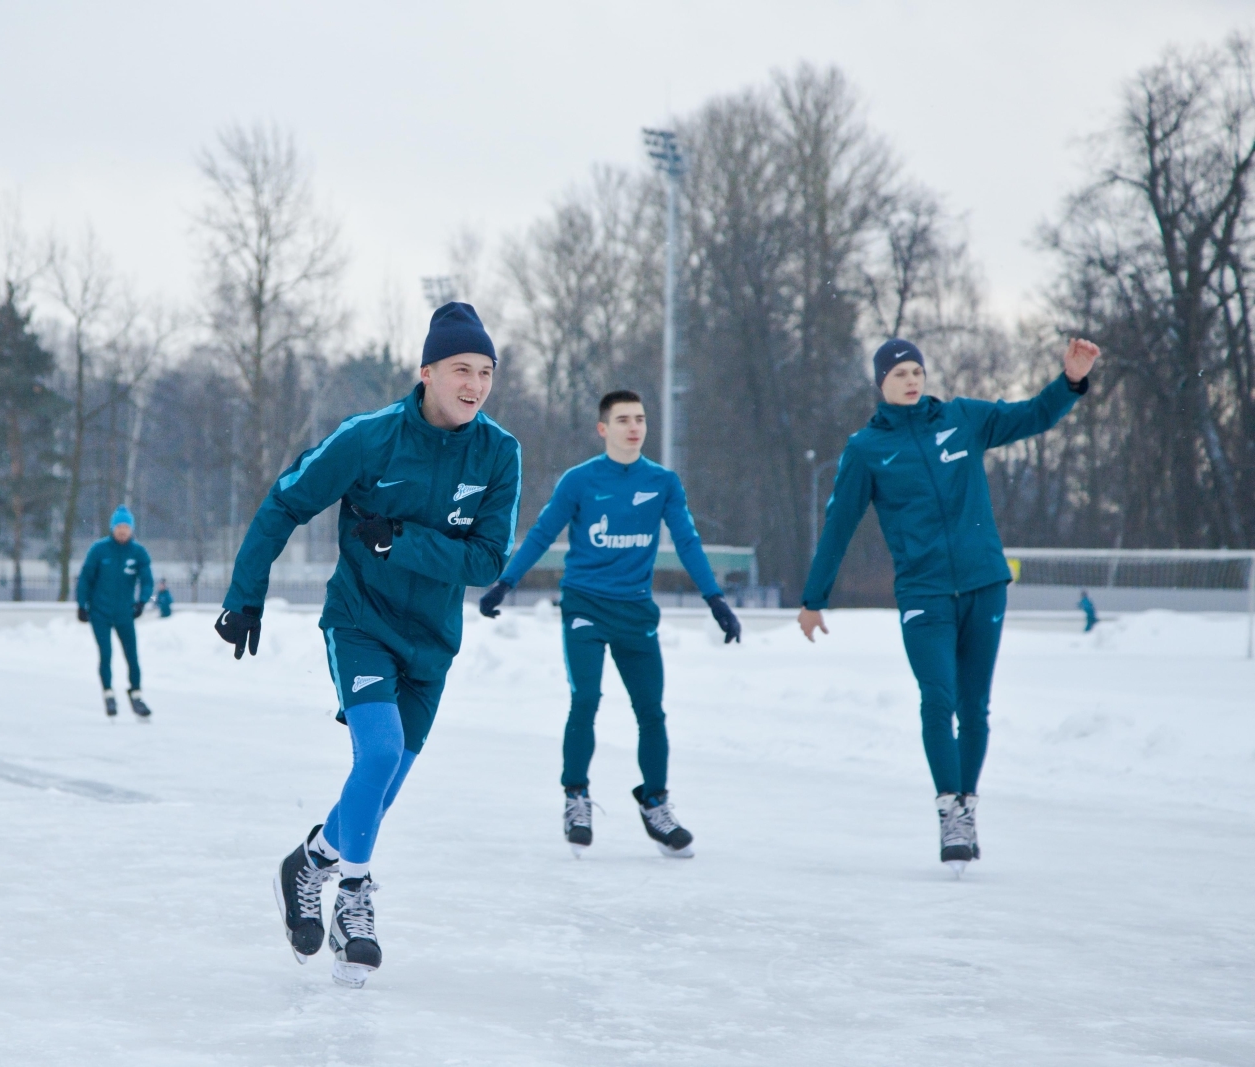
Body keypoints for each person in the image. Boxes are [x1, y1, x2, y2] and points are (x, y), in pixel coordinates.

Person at [218, 302, 520, 988]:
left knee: (380, 788)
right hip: (360, 623)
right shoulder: (370, 438)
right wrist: (245, 593)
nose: (474, 385)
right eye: (460, 370)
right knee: (377, 752)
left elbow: (486, 561)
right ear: (427, 372)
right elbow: (286, 500)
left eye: (485, 372)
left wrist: (403, 540)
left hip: (431, 643)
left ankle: (310, 862)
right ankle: (354, 893)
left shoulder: (499, 453)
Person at [796, 336, 1099, 873]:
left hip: (984, 584)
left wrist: (1070, 382)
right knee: (937, 698)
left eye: (916, 370)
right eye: (899, 374)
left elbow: (1031, 416)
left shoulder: (961, 419)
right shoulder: (867, 448)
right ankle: (948, 811)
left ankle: (967, 807)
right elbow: (839, 526)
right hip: (924, 593)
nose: (911, 380)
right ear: (881, 385)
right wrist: (813, 598)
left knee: (974, 707)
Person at [477, 390, 741, 859]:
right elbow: (542, 533)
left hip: (636, 611)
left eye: (640, 419)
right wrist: (506, 582)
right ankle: (575, 797)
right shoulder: (579, 481)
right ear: (604, 429)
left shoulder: (662, 482)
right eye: (623, 420)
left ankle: (655, 804)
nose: (634, 427)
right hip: (585, 607)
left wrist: (715, 599)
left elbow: (687, 541)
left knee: (652, 711)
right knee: (586, 698)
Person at [75, 506, 154, 718]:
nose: (122, 531)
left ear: (132, 529)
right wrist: (81, 604)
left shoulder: (138, 553)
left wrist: (141, 602)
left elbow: (147, 580)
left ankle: (136, 693)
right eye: (119, 526)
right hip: (100, 612)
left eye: (126, 527)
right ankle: (108, 693)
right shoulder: (99, 550)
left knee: (132, 655)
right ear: (112, 528)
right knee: (106, 654)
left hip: (124, 613)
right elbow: (86, 578)